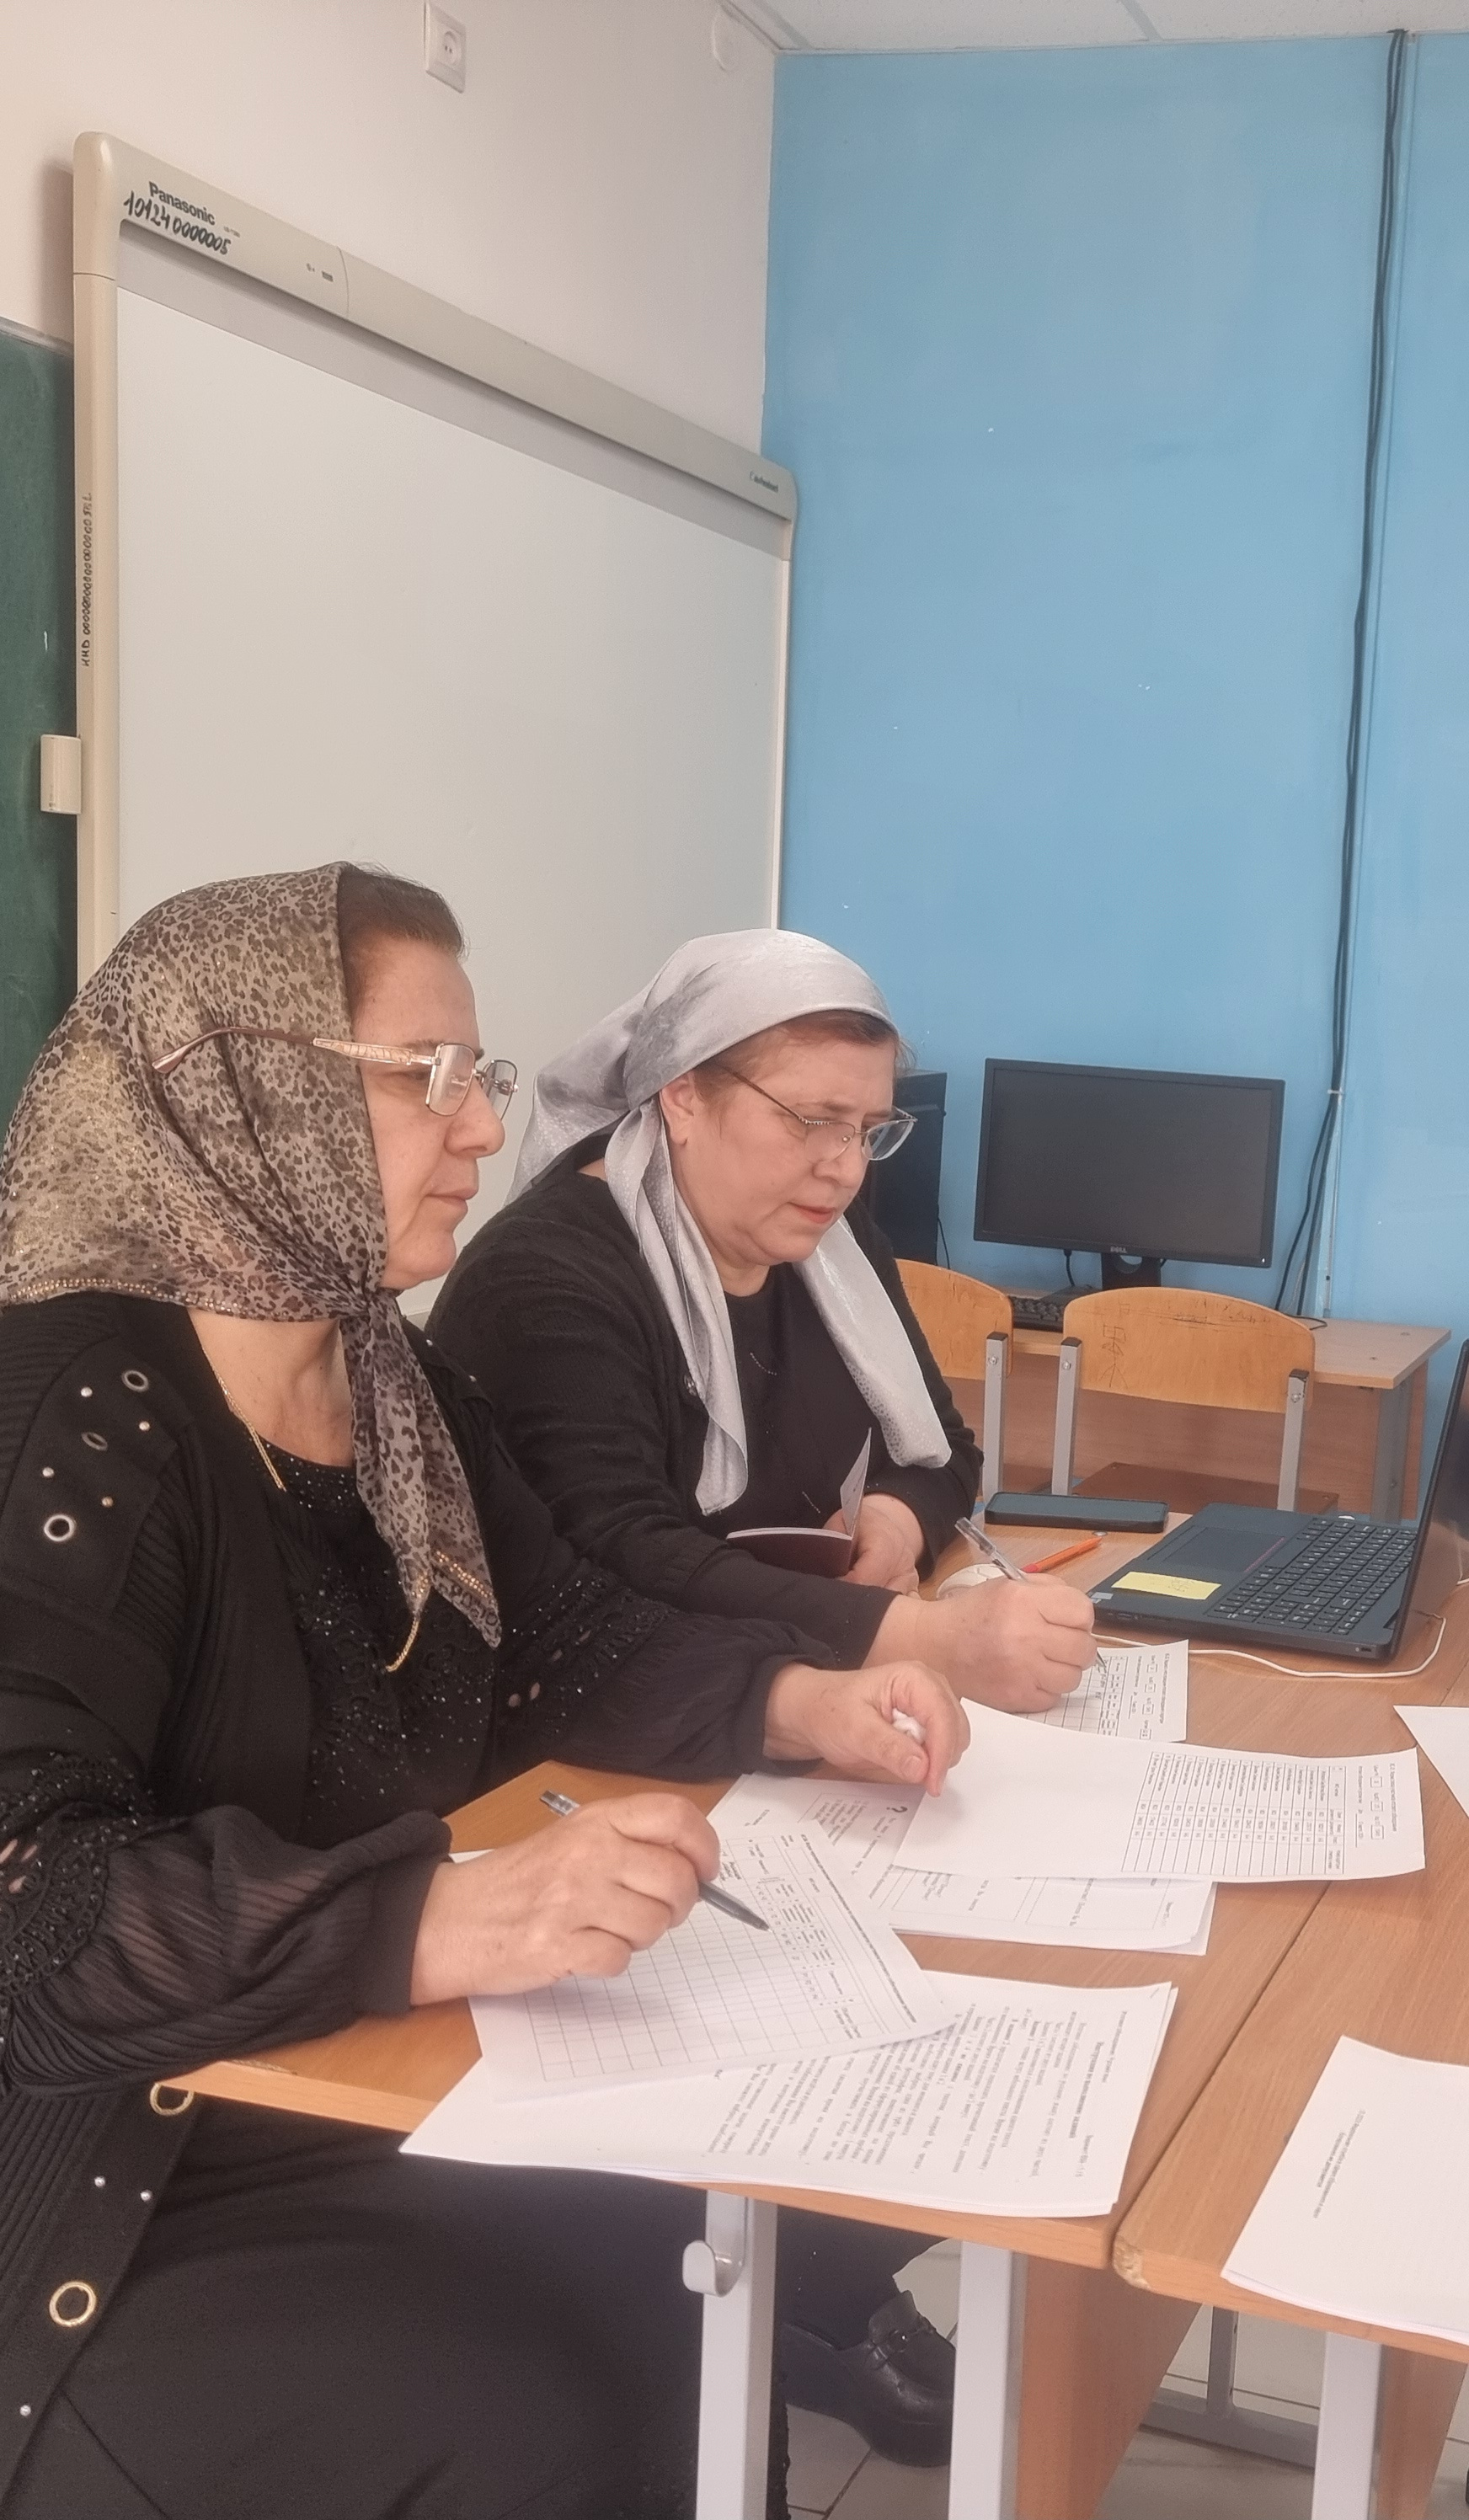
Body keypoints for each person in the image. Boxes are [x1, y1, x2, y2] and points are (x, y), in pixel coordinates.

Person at [0, 864, 976, 2519]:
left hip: (339, 2069)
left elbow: (568, 1641)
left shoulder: (399, 1385)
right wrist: (434, 1914)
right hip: (111, 2175)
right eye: (424, 1076)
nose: (481, 1127)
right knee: (550, 2404)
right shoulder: (73, 1416)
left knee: (703, 2269)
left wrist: (798, 1702)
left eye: (481, 1074)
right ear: (236, 1088)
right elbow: (33, 1903)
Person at [429, 930, 1097, 1715]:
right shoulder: (543, 1280)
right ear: (682, 1096)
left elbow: (942, 1449)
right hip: (608, 1727)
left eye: (868, 1130)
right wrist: (925, 1638)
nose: (846, 1169)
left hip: (787, 1697)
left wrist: (893, 1524)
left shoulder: (832, 1245)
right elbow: (621, 1565)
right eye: (813, 1120)